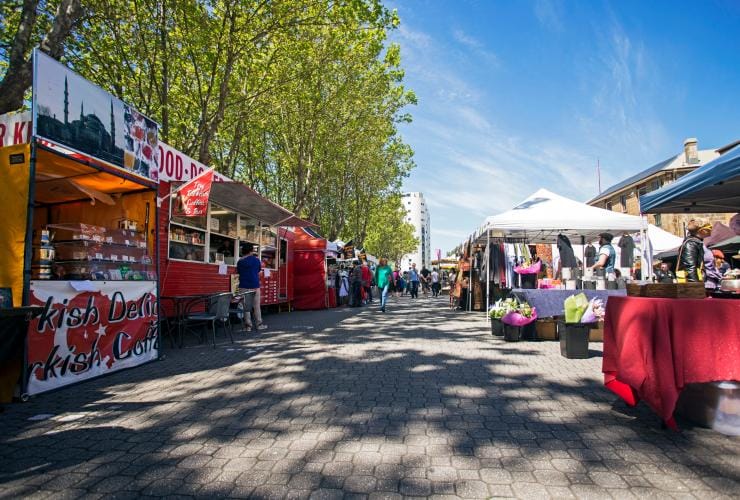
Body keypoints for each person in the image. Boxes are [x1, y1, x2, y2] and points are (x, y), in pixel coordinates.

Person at [237, 243, 267, 330]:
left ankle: (248, 326)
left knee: (246, 306)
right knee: (256, 305)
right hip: (254, 284)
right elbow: (258, 270)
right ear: (251, 251)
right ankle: (259, 324)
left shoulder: (240, 261)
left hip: (243, 285)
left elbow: (238, 272)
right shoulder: (256, 260)